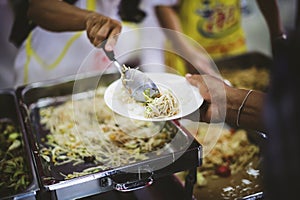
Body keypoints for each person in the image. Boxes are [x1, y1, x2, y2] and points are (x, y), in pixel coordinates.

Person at [155, 0, 284, 75]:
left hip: (232, 46)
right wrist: (185, 51)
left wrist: (277, 34)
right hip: (190, 49)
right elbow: (163, 4)